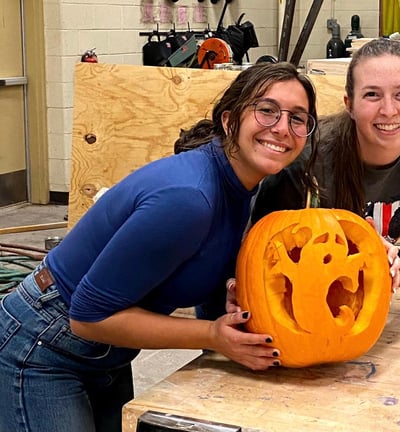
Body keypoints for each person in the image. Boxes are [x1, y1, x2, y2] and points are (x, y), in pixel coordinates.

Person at [0, 61, 318, 432]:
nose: (282, 127)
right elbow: (87, 317)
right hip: (44, 344)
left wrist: (233, 314)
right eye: (266, 110)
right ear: (230, 121)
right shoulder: (190, 197)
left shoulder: (244, 184)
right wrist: (212, 335)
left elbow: (206, 276)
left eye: (298, 118)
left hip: (108, 350)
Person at [251, 38, 400, 296]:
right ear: (349, 104)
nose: (388, 110)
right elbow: (259, 260)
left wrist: (391, 259)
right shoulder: (307, 156)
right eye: (372, 94)